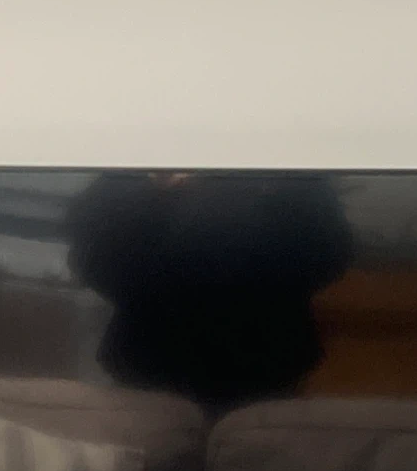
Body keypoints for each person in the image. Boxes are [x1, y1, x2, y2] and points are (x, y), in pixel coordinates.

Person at [68, 171, 352, 412]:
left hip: (262, 370)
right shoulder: (148, 155)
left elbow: (329, 250)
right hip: (153, 369)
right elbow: (92, 251)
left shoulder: (283, 165)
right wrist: (155, 191)